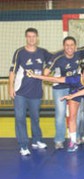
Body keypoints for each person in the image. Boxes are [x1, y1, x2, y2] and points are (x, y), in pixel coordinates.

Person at [8, 27, 52, 156]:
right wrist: (10, 87)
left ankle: (36, 140)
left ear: (37, 37)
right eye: (29, 36)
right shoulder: (19, 52)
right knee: (20, 118)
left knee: (35, 118)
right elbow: (12, 71)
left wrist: (47, 70)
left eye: (34, 36)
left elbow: (55, 59)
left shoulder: (43, 52)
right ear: (26, 37)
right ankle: (23, 145)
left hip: (36, 93)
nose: (31, 38)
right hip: (20, 93)